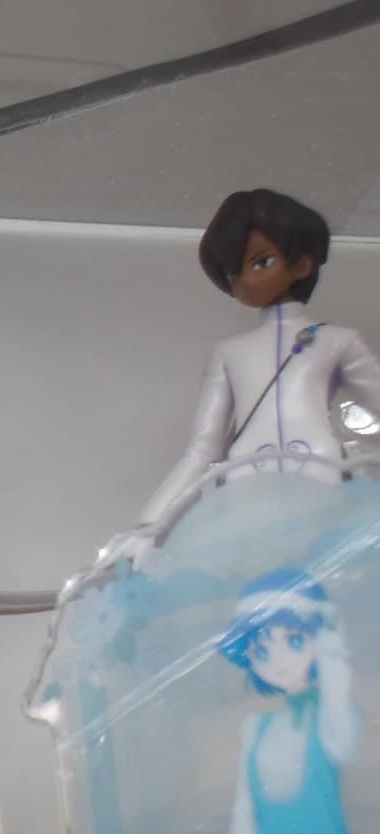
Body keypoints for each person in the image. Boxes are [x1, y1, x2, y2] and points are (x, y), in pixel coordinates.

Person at [102, 189, 380, 569]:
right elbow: (203, 448)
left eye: (261, 262)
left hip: (321, 483)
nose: (245, 280)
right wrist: (149, 526)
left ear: (302, 264)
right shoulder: (230, 352)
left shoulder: (338, 341)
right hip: (247, 493)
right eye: (233, 273)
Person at [219, 569, 357, 834]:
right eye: (262, 652)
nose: (279, 661)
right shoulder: (253, 729)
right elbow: (243, 812)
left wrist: (332, 649)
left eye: (294, 641)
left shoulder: (331, 719)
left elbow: (344, 746)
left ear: (319, 640)